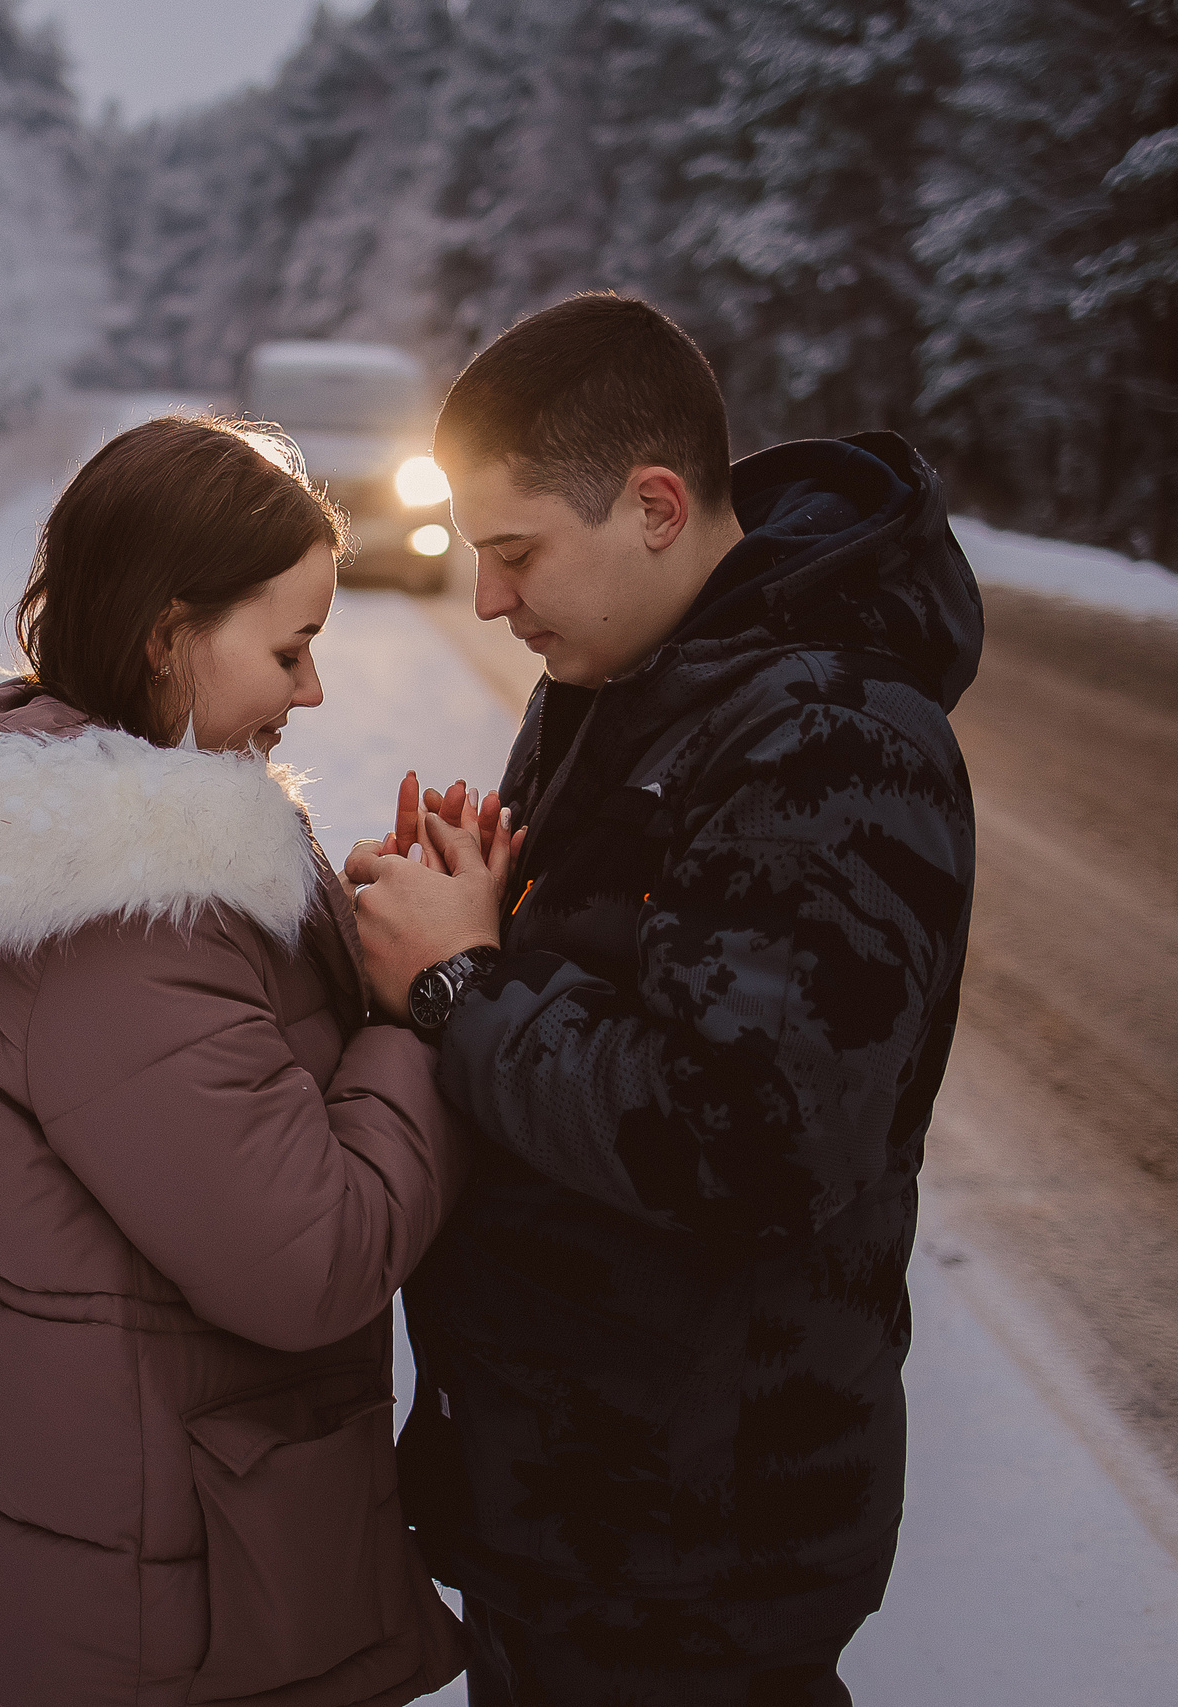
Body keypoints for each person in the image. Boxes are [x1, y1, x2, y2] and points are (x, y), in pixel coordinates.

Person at [0, 415, 508, 1707]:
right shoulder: (121, 920)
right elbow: (315, 1259)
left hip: (129, 1574)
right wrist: (422, 1008)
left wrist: (360, 941)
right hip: (166, 1625)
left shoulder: (88, 835)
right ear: (169, 637)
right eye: (289, 649)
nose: (313, 690)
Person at [347, 293, 982, 1705]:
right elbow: (598, 987)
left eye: (515, 552)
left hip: (692, 1553)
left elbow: (748, 1140)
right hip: (573, 1506)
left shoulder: (830, 739)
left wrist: (459, 981)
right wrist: (458, 913)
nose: (487, 598)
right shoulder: (626, 679)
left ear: (653, 506)